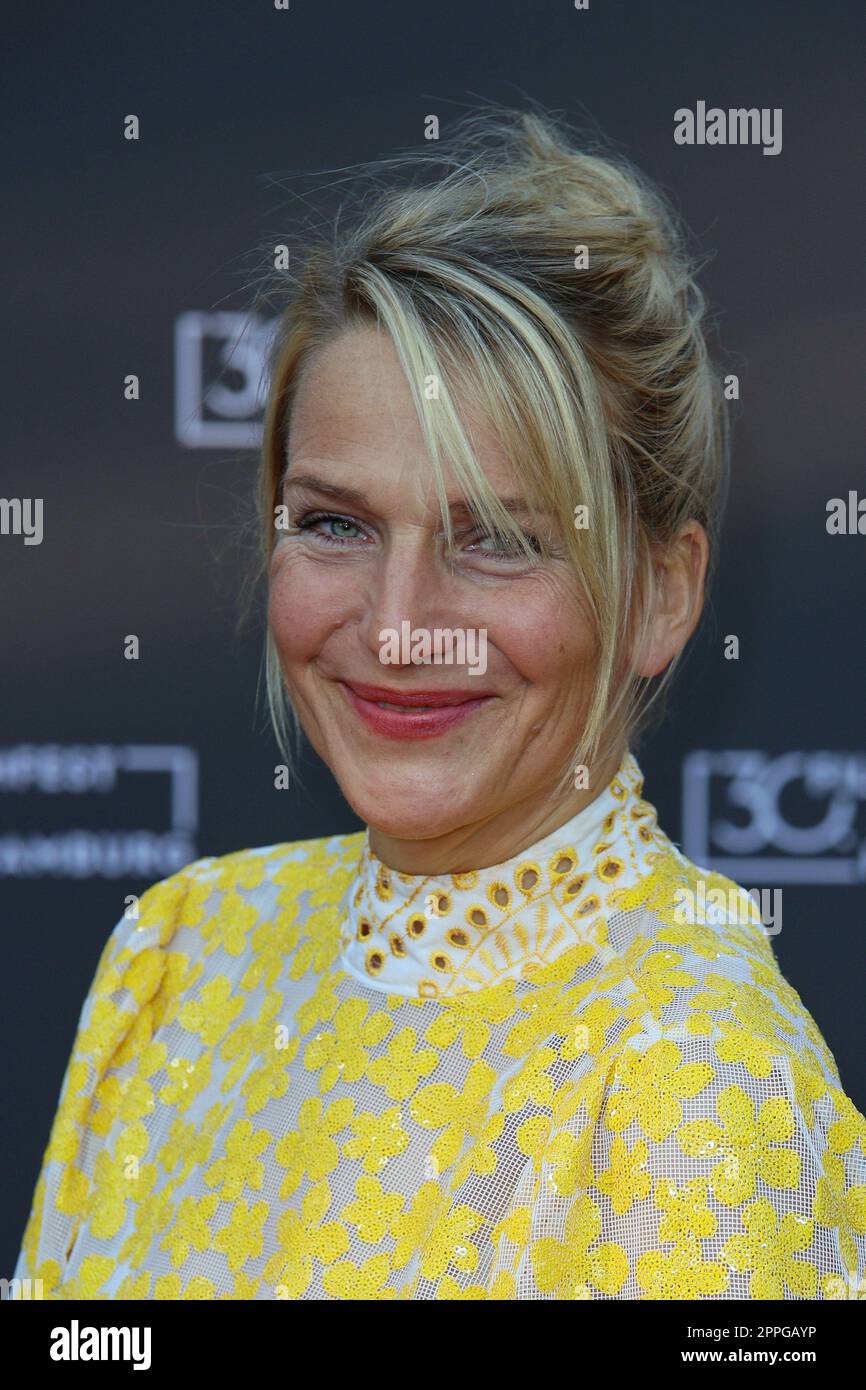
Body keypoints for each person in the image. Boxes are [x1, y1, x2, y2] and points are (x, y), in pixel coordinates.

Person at [11, 108, 866, 1301]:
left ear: (661, 596)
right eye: (336, 524)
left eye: (499, 541)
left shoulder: (695, 1088)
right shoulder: (181, 956)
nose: (397, 621)